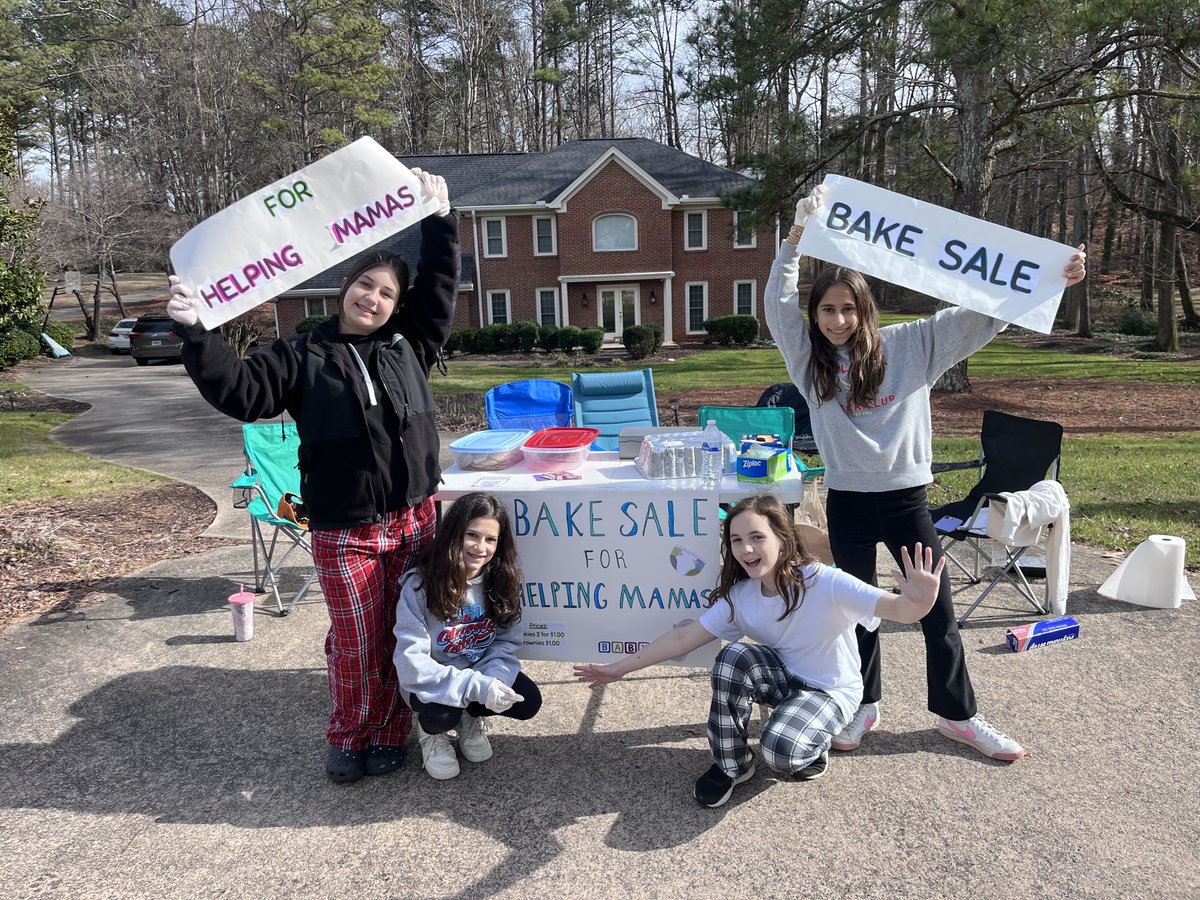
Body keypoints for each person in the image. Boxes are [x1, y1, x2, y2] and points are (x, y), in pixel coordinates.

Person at [763, 183, 1088, 760]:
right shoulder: (807, 359)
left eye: (848, 309)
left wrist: (1049, 277)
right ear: (815, 316)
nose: (838, 320)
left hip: (906, 500)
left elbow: (982, 315)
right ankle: (863, 705)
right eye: (827, 309)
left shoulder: (912, 345)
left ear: (867, 311)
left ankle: (957, 715)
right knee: (857, 614)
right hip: (849, 504)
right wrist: (793, 239)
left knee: (936, 615)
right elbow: (776, 302)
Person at [165, 169, 459, 784]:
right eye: (363, 285)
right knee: (355, 640)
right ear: (343, 287)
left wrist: (438, 219)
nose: (372, 298)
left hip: (414, 521)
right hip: (344, 528)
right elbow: (242, 393)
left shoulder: (412, 345)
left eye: (384, 292)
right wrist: (197, 333)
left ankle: (389, 730)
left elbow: (439, 285)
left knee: (406, 634)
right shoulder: (299, 355)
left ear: (395, 306)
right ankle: (349, 733)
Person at [575, 494, 945, 808]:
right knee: (733, 657)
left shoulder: (825, 582)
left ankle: (810, 746)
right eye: (736, 540)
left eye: (756, 537)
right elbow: (683, 639)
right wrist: (619, 669)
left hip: (831, 691)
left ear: (782, 539)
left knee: (783, 754)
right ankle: (733, 765)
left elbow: (897, 609)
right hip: (783, 677)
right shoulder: (741, 597)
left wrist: (920, 602)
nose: (746, 549)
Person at [392, 491, 543, 780]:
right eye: (472, 535)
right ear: (452, 534)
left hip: (476, 673)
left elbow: (505, 642)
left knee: (527, 701)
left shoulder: (501, 580)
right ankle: (431, 734)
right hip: (433, 681)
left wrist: (493, 680)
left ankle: (470, 719)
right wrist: (476, 688)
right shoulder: (418, 587)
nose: (480, 547)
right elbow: (411, 664)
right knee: (442, 713)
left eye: (491, 539)